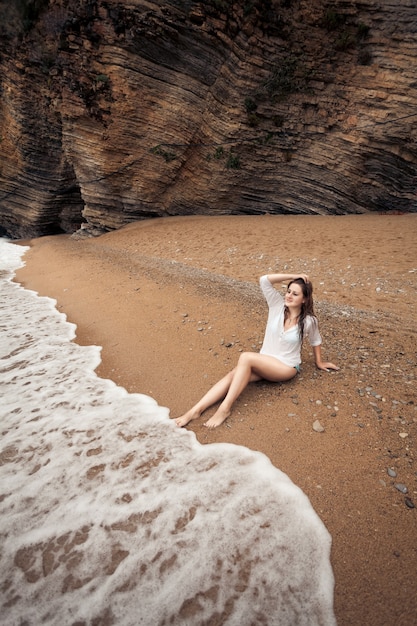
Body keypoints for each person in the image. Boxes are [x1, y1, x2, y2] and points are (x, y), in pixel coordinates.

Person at [174, 272, 339, 429]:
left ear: (304, 299)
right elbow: (264, 280)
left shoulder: (309, 321)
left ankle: (225, 409)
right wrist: (293, 276)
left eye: (295, 294)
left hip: (286, 367)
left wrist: (319, 362)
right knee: (234, 374)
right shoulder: (276, 306)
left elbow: (315, 340)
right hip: (264, 361)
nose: (288, 295)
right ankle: (195, 410)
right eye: (288, 291)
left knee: (245, 357)